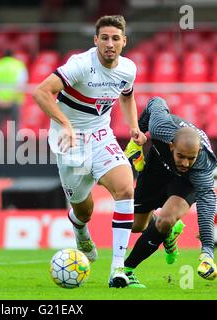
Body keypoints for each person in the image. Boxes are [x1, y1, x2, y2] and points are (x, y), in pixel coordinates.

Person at [33, 15, 147, 288]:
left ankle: (118, 269)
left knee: (125, 188)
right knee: (84, 210)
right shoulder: (81, 65)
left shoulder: (128, 69)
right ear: (95, 40)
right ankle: (80, 228)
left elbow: (127, 95)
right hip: (70, 141)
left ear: (124, 42)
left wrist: (133, 126)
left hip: (101, 136)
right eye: (104, 38)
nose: (110, 44)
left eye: (115, 38)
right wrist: (65, 124)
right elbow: (41, 92)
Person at [122, 96, 217, 288]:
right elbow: (155, 101)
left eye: (190, 158)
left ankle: (126, 270)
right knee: (136, 226)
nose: (185, 163)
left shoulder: (202, 165)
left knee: (166, 219)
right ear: (171, 145)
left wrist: (207, 250)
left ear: (198, 152)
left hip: (184, 183)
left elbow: (207, 205)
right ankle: (168, 231)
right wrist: (138, 135)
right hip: (155, 172)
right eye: (181, 156)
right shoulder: (160, 126)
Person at [0, 49, 28, 134]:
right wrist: (11, 99)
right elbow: (21, 84)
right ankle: (16, 147)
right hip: (14, 101)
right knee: (15, 129)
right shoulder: (19, 65)